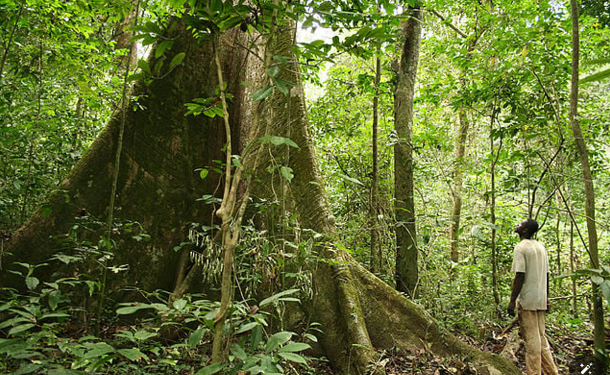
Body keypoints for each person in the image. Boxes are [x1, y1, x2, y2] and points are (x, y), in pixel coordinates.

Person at [507, 218, 559, 375]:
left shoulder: (521, 248)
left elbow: (520, 276)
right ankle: (551, 371)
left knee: (532, 341)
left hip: (528, 300)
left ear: (525, 231)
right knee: (541, 338)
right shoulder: (540, 247)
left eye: (521, 224)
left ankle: (534, 372)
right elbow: (547, 275)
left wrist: (512, 301)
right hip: (540, 299)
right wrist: (546, 297)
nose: (517, 224)